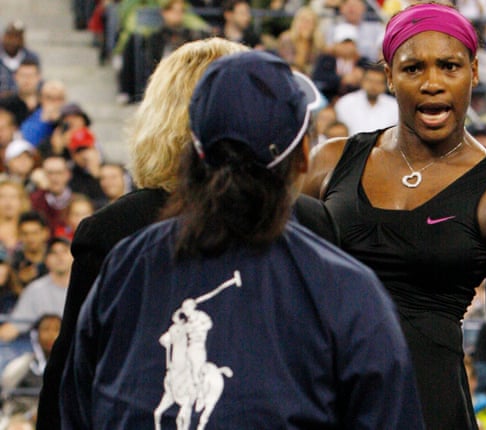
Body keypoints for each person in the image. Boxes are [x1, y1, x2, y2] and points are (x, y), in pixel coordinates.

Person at [60, 49, 423, 429]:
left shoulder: (126, 266)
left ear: (192, 154)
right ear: (302, 157)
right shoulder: (348, 290)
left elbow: (74, 406)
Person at [302, 4, 486, 428]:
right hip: (325, 394)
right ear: (389, 76)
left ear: (474, 71)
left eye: (449, 66)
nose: (432, 83)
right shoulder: (328, 161)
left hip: (429, 400)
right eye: (413, 69)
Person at [0, 237, 72, 343]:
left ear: (74, 257)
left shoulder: (88, 287)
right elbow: (13, 327)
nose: (59, 257)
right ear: (46, 260)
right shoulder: (35, 290)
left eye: (65, 251)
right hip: (47, 354)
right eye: (54, 253)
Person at [334, 64, 398, 135]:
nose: (373, 86)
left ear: (385, 85)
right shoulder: (345, 103)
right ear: (362, 81)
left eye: (378, 82)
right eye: (370, 81)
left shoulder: (395, 107)